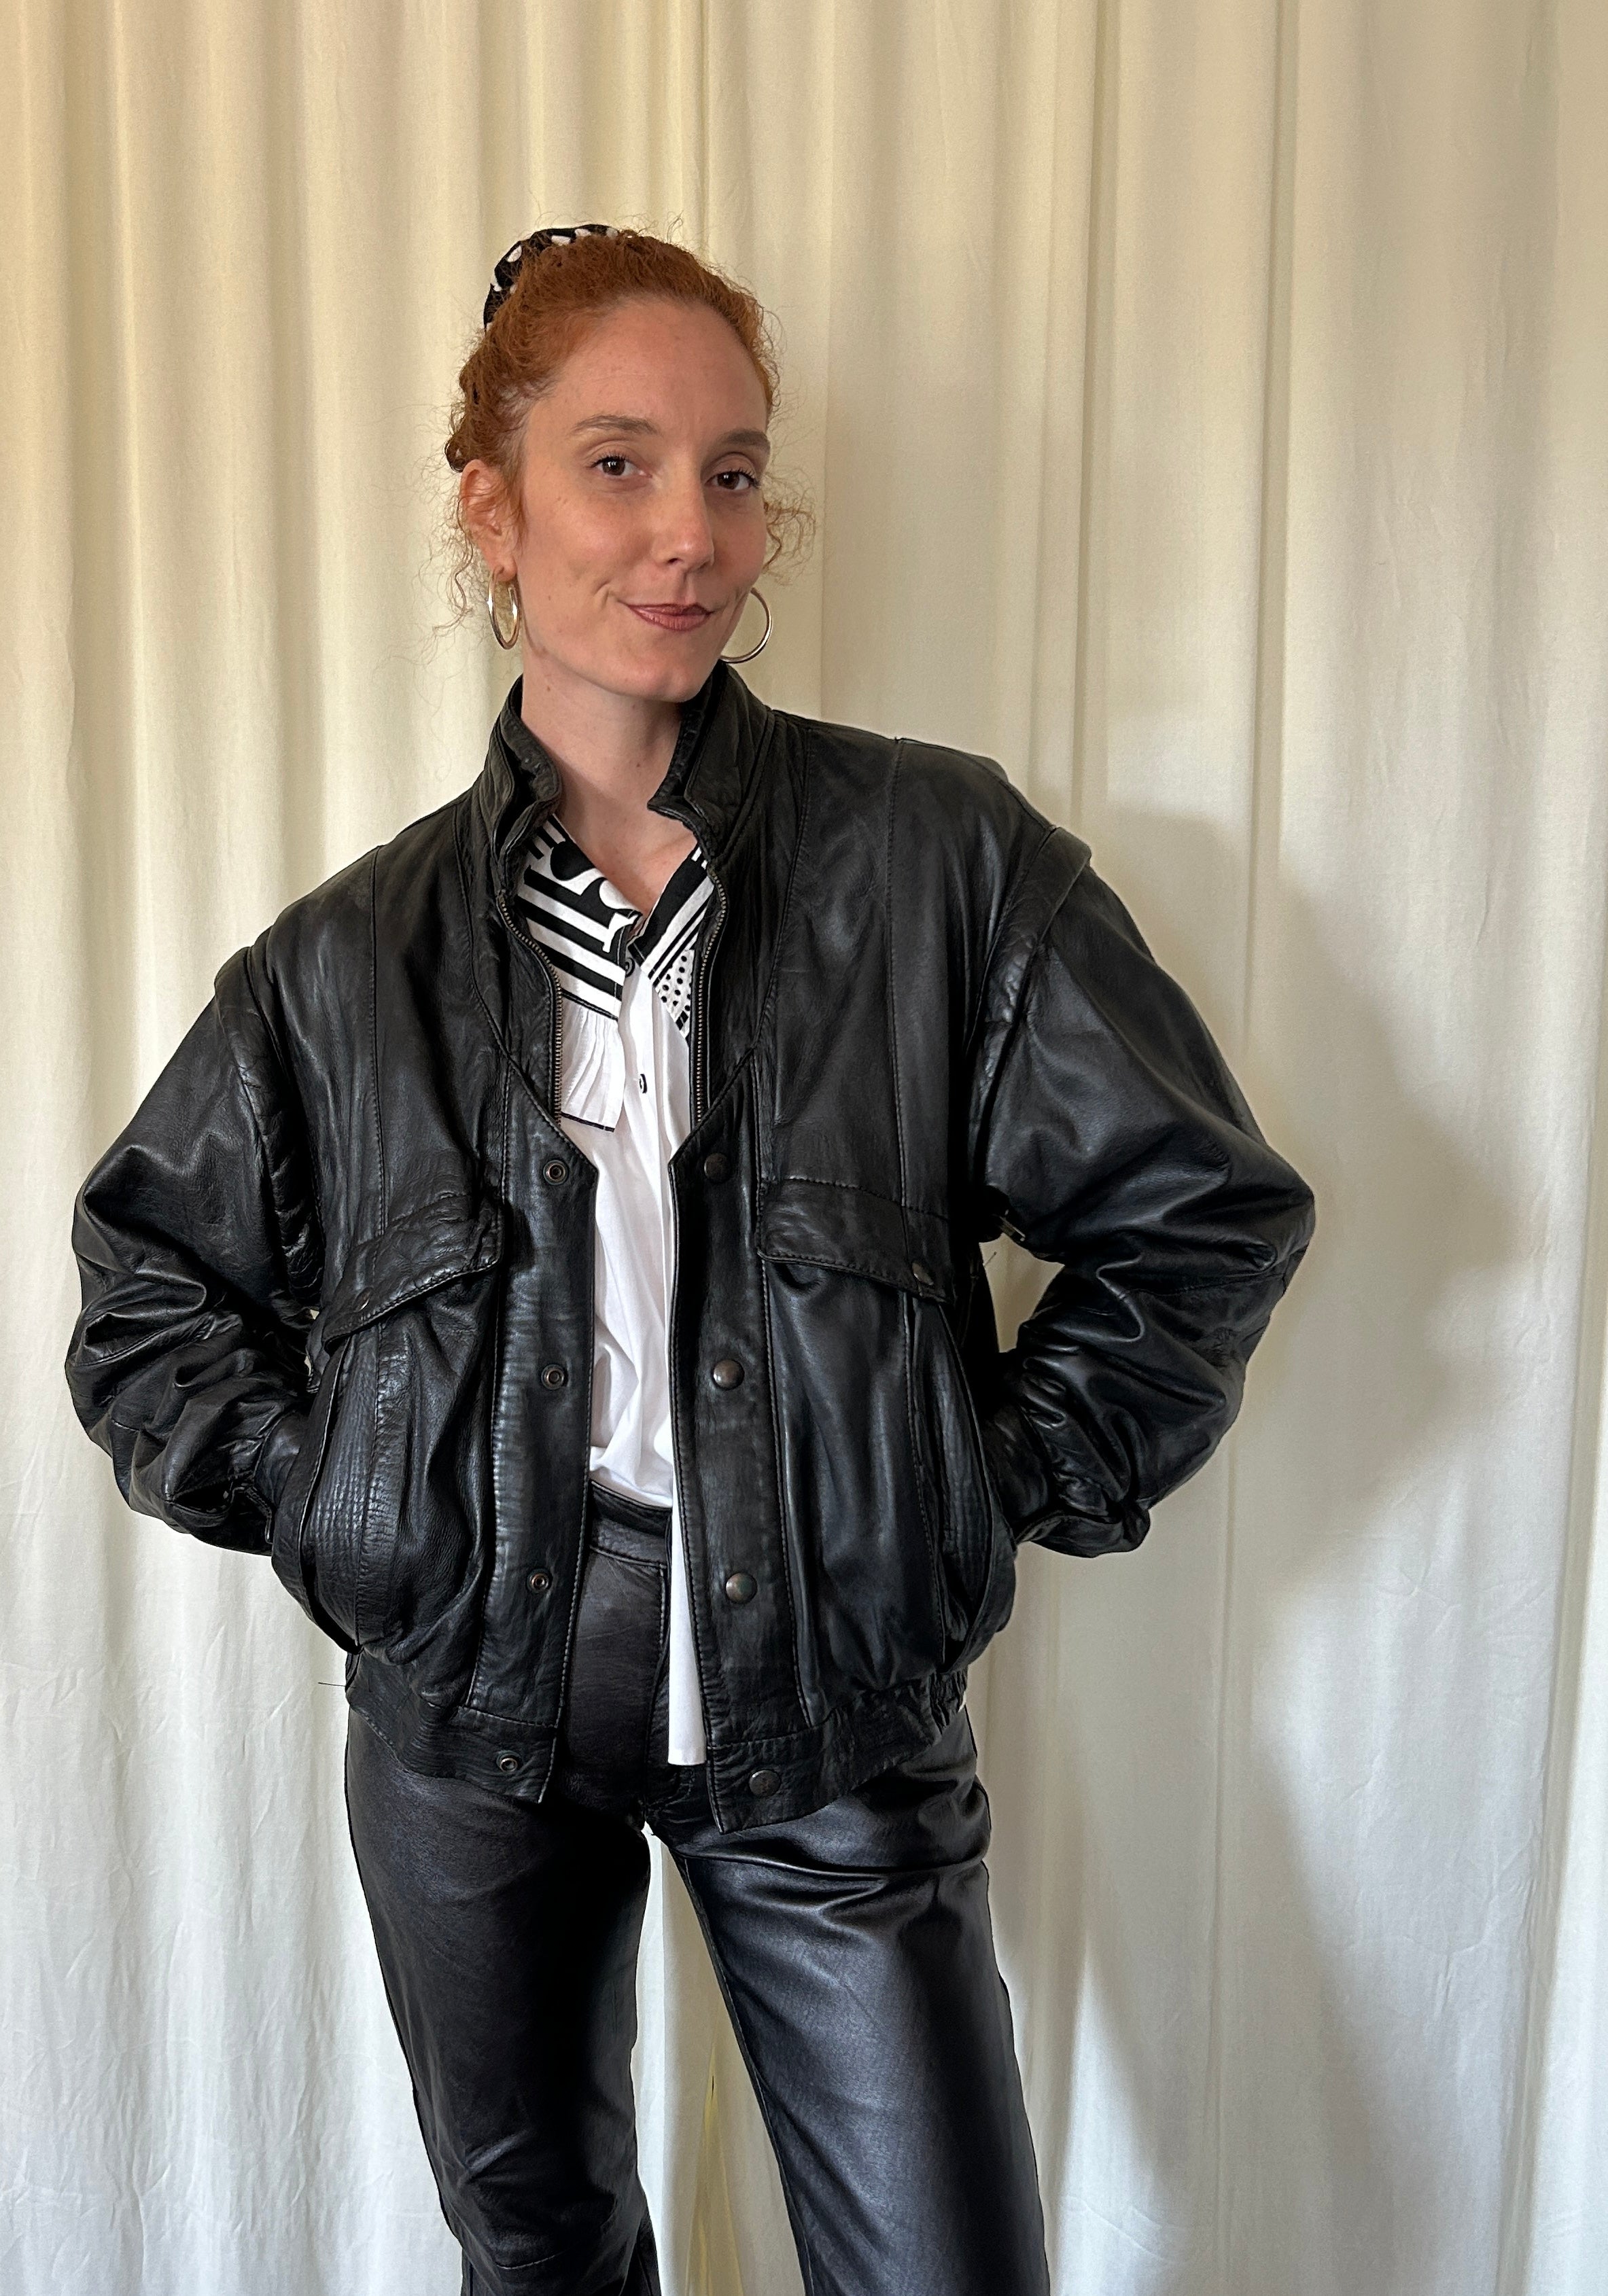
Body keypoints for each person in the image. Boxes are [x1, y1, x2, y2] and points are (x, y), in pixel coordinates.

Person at [65, 224, 1315, 2296]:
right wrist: (343, 1498)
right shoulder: (344, 963)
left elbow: (1198, 1208)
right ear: (494, 508)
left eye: (733, 473)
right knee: (544, 2249)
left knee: (942, 2260)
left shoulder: (940, 862)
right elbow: (146, 1292)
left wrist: (972, 1483)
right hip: (470, 1702)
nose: (689, 534)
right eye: (619, 465)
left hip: (827, 1673)